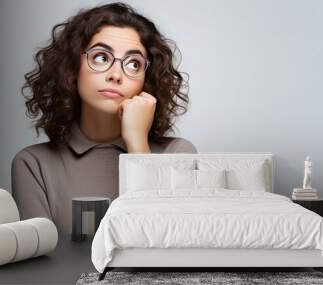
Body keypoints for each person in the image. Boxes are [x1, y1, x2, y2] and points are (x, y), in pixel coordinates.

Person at [11, 2, 197, 234]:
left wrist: (137, 144)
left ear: (146, 80)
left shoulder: (177, 154)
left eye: (133, 63)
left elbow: (168, 242)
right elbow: (38, 259)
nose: (116, 75)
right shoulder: (33, 164)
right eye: (101, 57)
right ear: (71, 68)